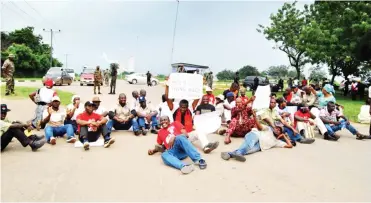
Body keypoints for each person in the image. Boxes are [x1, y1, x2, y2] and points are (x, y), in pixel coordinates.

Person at [221, 110, 292, 162]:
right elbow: (260, 127)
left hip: (260, 146)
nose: (277, 130)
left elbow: (290, 145)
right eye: (276, 128)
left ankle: (229, 154)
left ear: (280, 133)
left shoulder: (277, 142)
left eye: (279, 130)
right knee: (249, 145)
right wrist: (255, 118)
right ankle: (238, 153)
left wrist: (284, 136)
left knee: (248, 151)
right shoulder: (269, 129)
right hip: (255, 135)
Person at [165, 86, 218, 153]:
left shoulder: (190, 108)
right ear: (179, 106)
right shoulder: (174, 109)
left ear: (187, 107)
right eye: (181, 107)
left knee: (199, 131)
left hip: (188, 135)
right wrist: (167, 86)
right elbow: (167, 98)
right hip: (177, 137)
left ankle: (206, 147)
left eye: (185, 107)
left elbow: (197, 98)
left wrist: (199, 85)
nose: (183, 109)